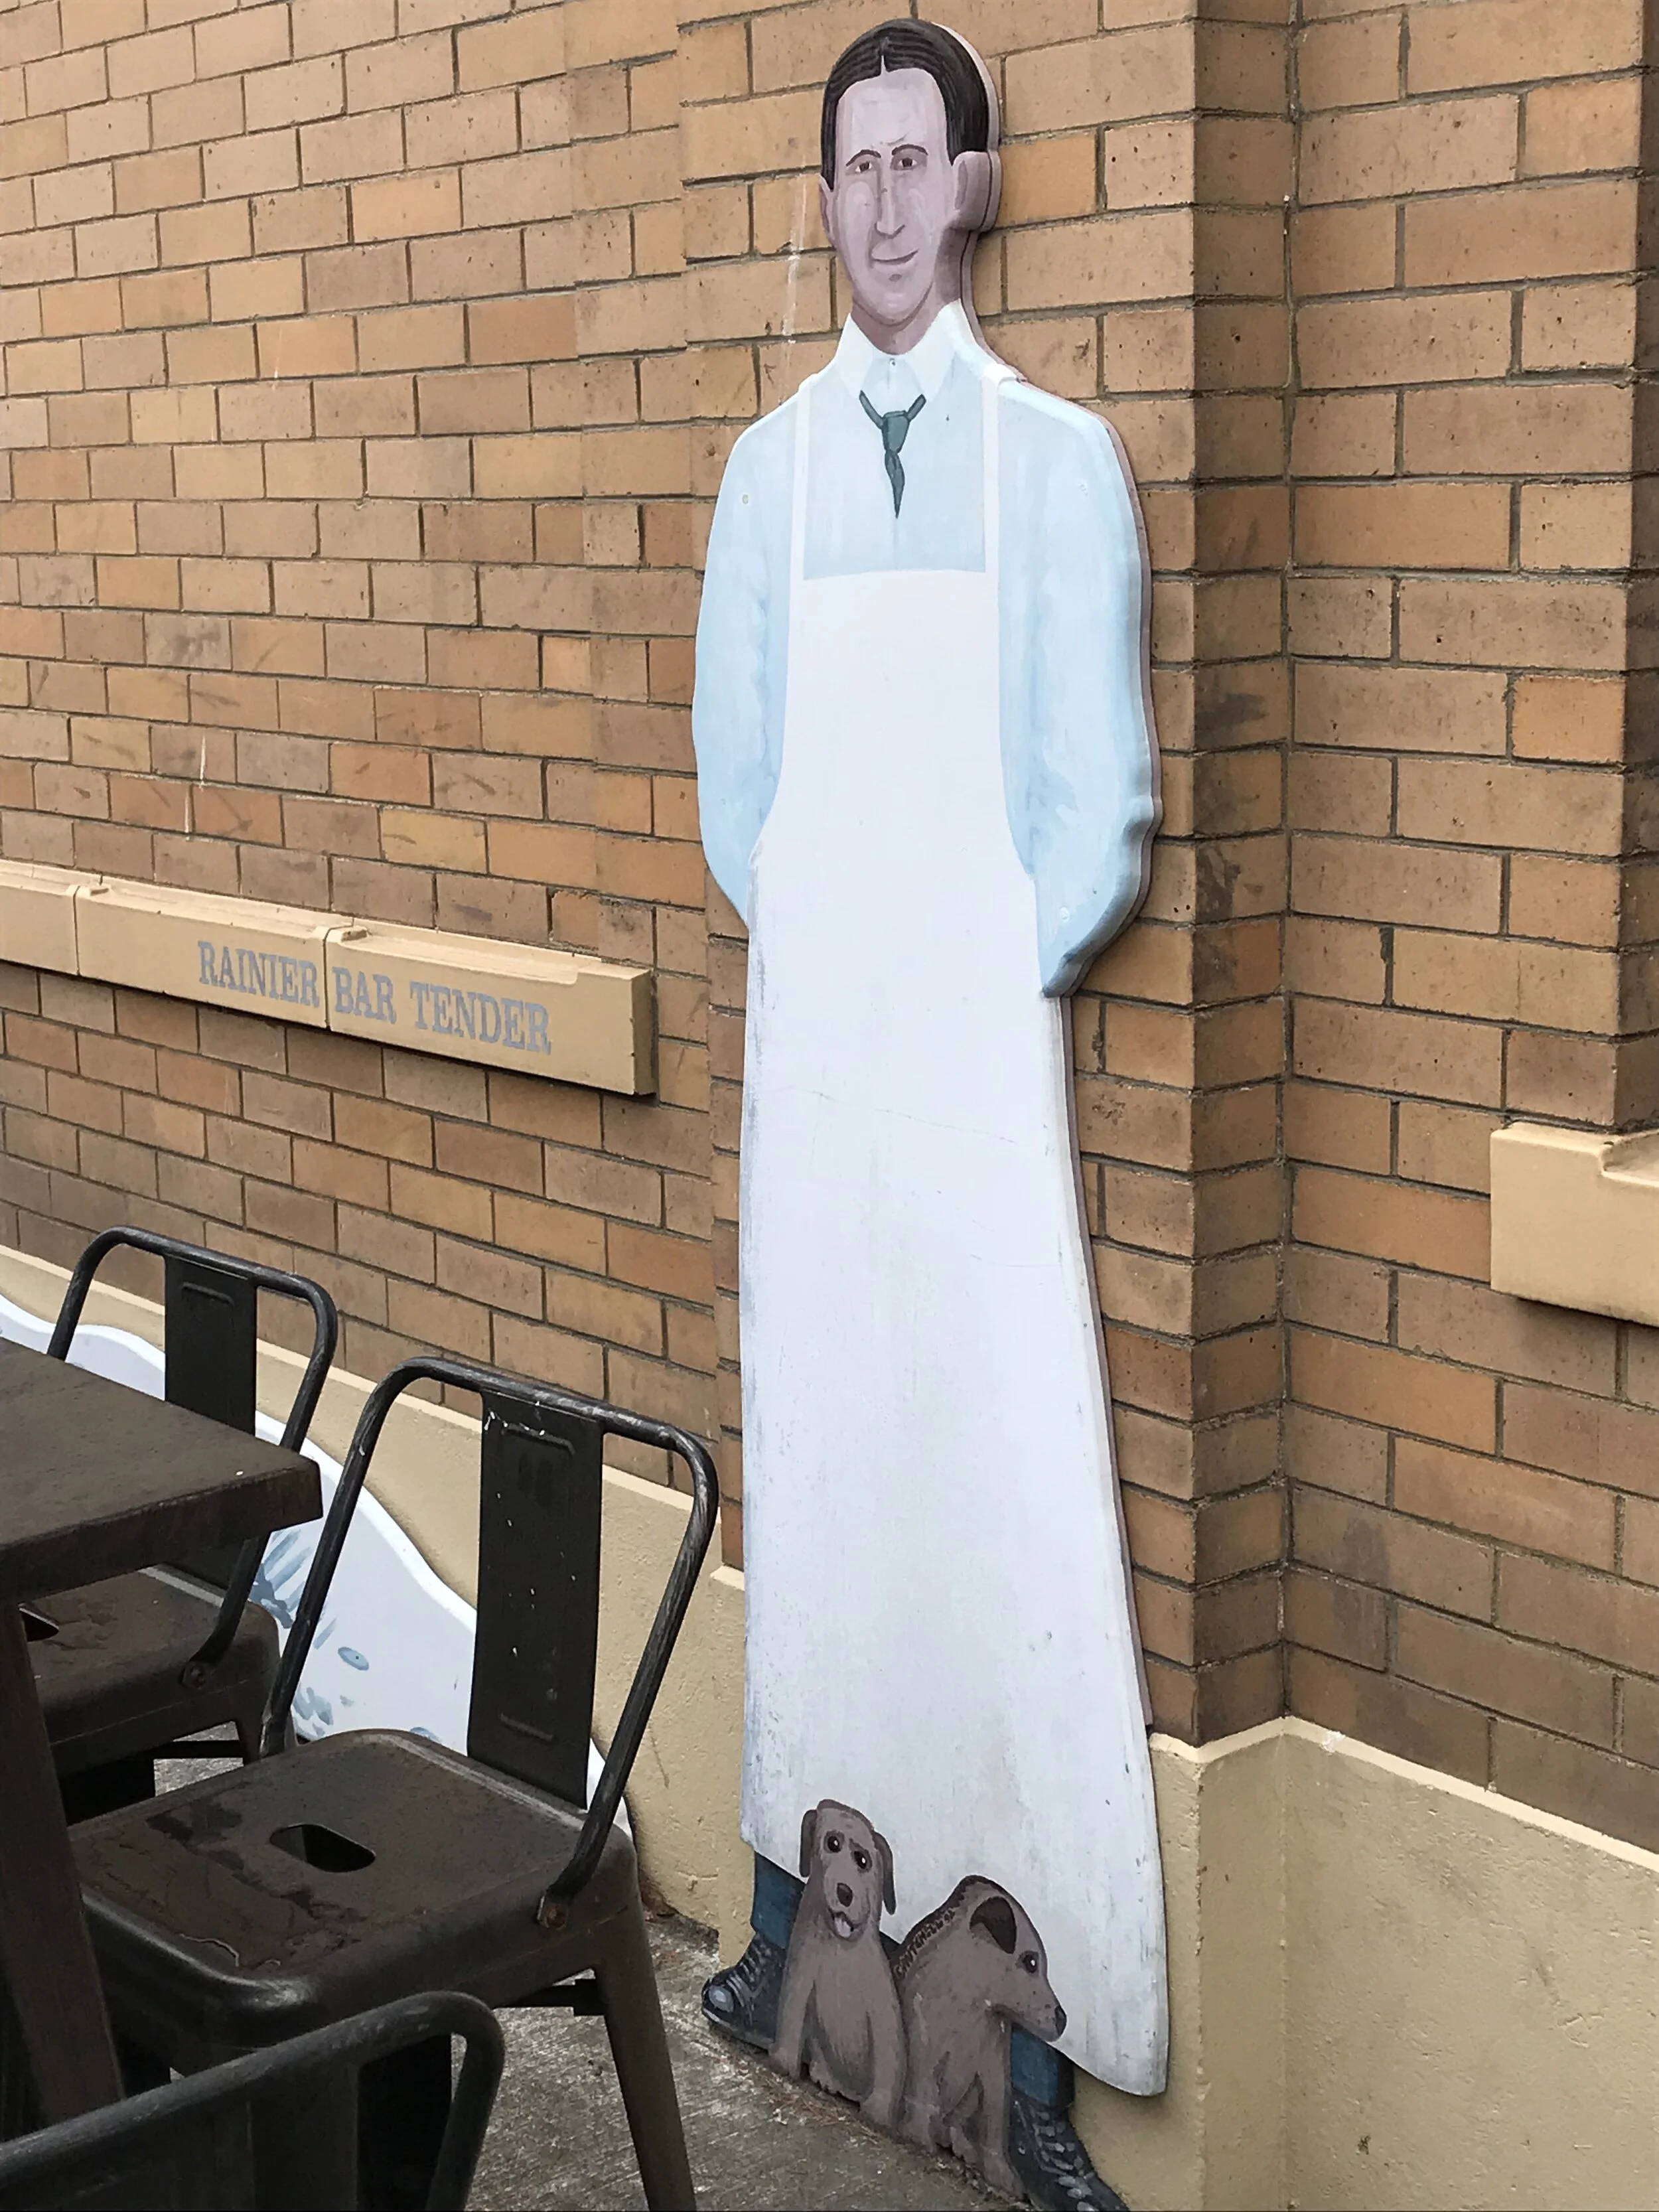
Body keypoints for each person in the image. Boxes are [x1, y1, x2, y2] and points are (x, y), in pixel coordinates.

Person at [691, 23, 1165, 2209]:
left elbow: (1097, 812)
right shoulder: (763, 478)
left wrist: (966, 977)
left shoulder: (1050, 464)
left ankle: (1034, 2044)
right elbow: (737, 796)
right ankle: (802, 1931)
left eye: (916, 162)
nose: (881, 202)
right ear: (822, 196)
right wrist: (848, 969)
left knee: (997, 1497)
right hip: (822, 1093)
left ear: (967, 187)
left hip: (975, 1092)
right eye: (848, 166)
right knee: (837, 1474)